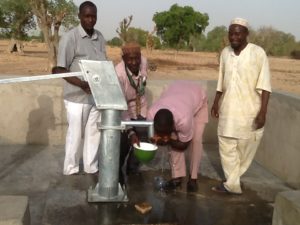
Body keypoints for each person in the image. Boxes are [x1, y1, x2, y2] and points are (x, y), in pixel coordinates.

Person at [211, 18, 272, 194]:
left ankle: (233, 180)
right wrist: (216, 102)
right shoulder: (225, 53)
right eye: (231, 33)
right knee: (226, 146)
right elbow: (221, 80)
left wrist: (263, 112)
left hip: (250, 111)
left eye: (237, 33)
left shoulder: (258, 53)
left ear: (246, 34)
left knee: (246, 149)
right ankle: (232, 184)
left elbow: (265, 85)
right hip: (228, 110)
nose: (233, 37)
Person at [56, 1, 107, 175]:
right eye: (87, 16)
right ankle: (70, 169)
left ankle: (91, 167)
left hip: (95, 96)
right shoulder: (70, 38)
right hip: (76, 97)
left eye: (93, 16)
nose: (90, 20)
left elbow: (102, 65)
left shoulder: (100, 37)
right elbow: (60, 69)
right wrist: (82, 84)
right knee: (75, 135)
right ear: (79, 16)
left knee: (94, 133)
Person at [147, 80, 208, 192]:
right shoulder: (151, 115)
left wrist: (169, 140)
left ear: (173, 124)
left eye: (166, 131)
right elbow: (151, 137)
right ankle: (177, 178)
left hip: (198, 96)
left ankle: (193, 178)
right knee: (174, 139)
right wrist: (159, 139)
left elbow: (184, 145)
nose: (163, 135)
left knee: (196, 140)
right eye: (160, 132)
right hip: (176, 91)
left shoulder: (183, 120)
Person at [115, 42, 148, 184]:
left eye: (137, 58)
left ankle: (132, 167)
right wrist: (130, 131)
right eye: (129, 59)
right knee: (124, 142)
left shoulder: (144, 62)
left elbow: (143, 81)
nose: (134, 62)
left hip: (140, 105)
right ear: (123, 58)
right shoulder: (119, 74)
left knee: (144, 136)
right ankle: (117, 172)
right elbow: (121, 105)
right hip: (123, 107)